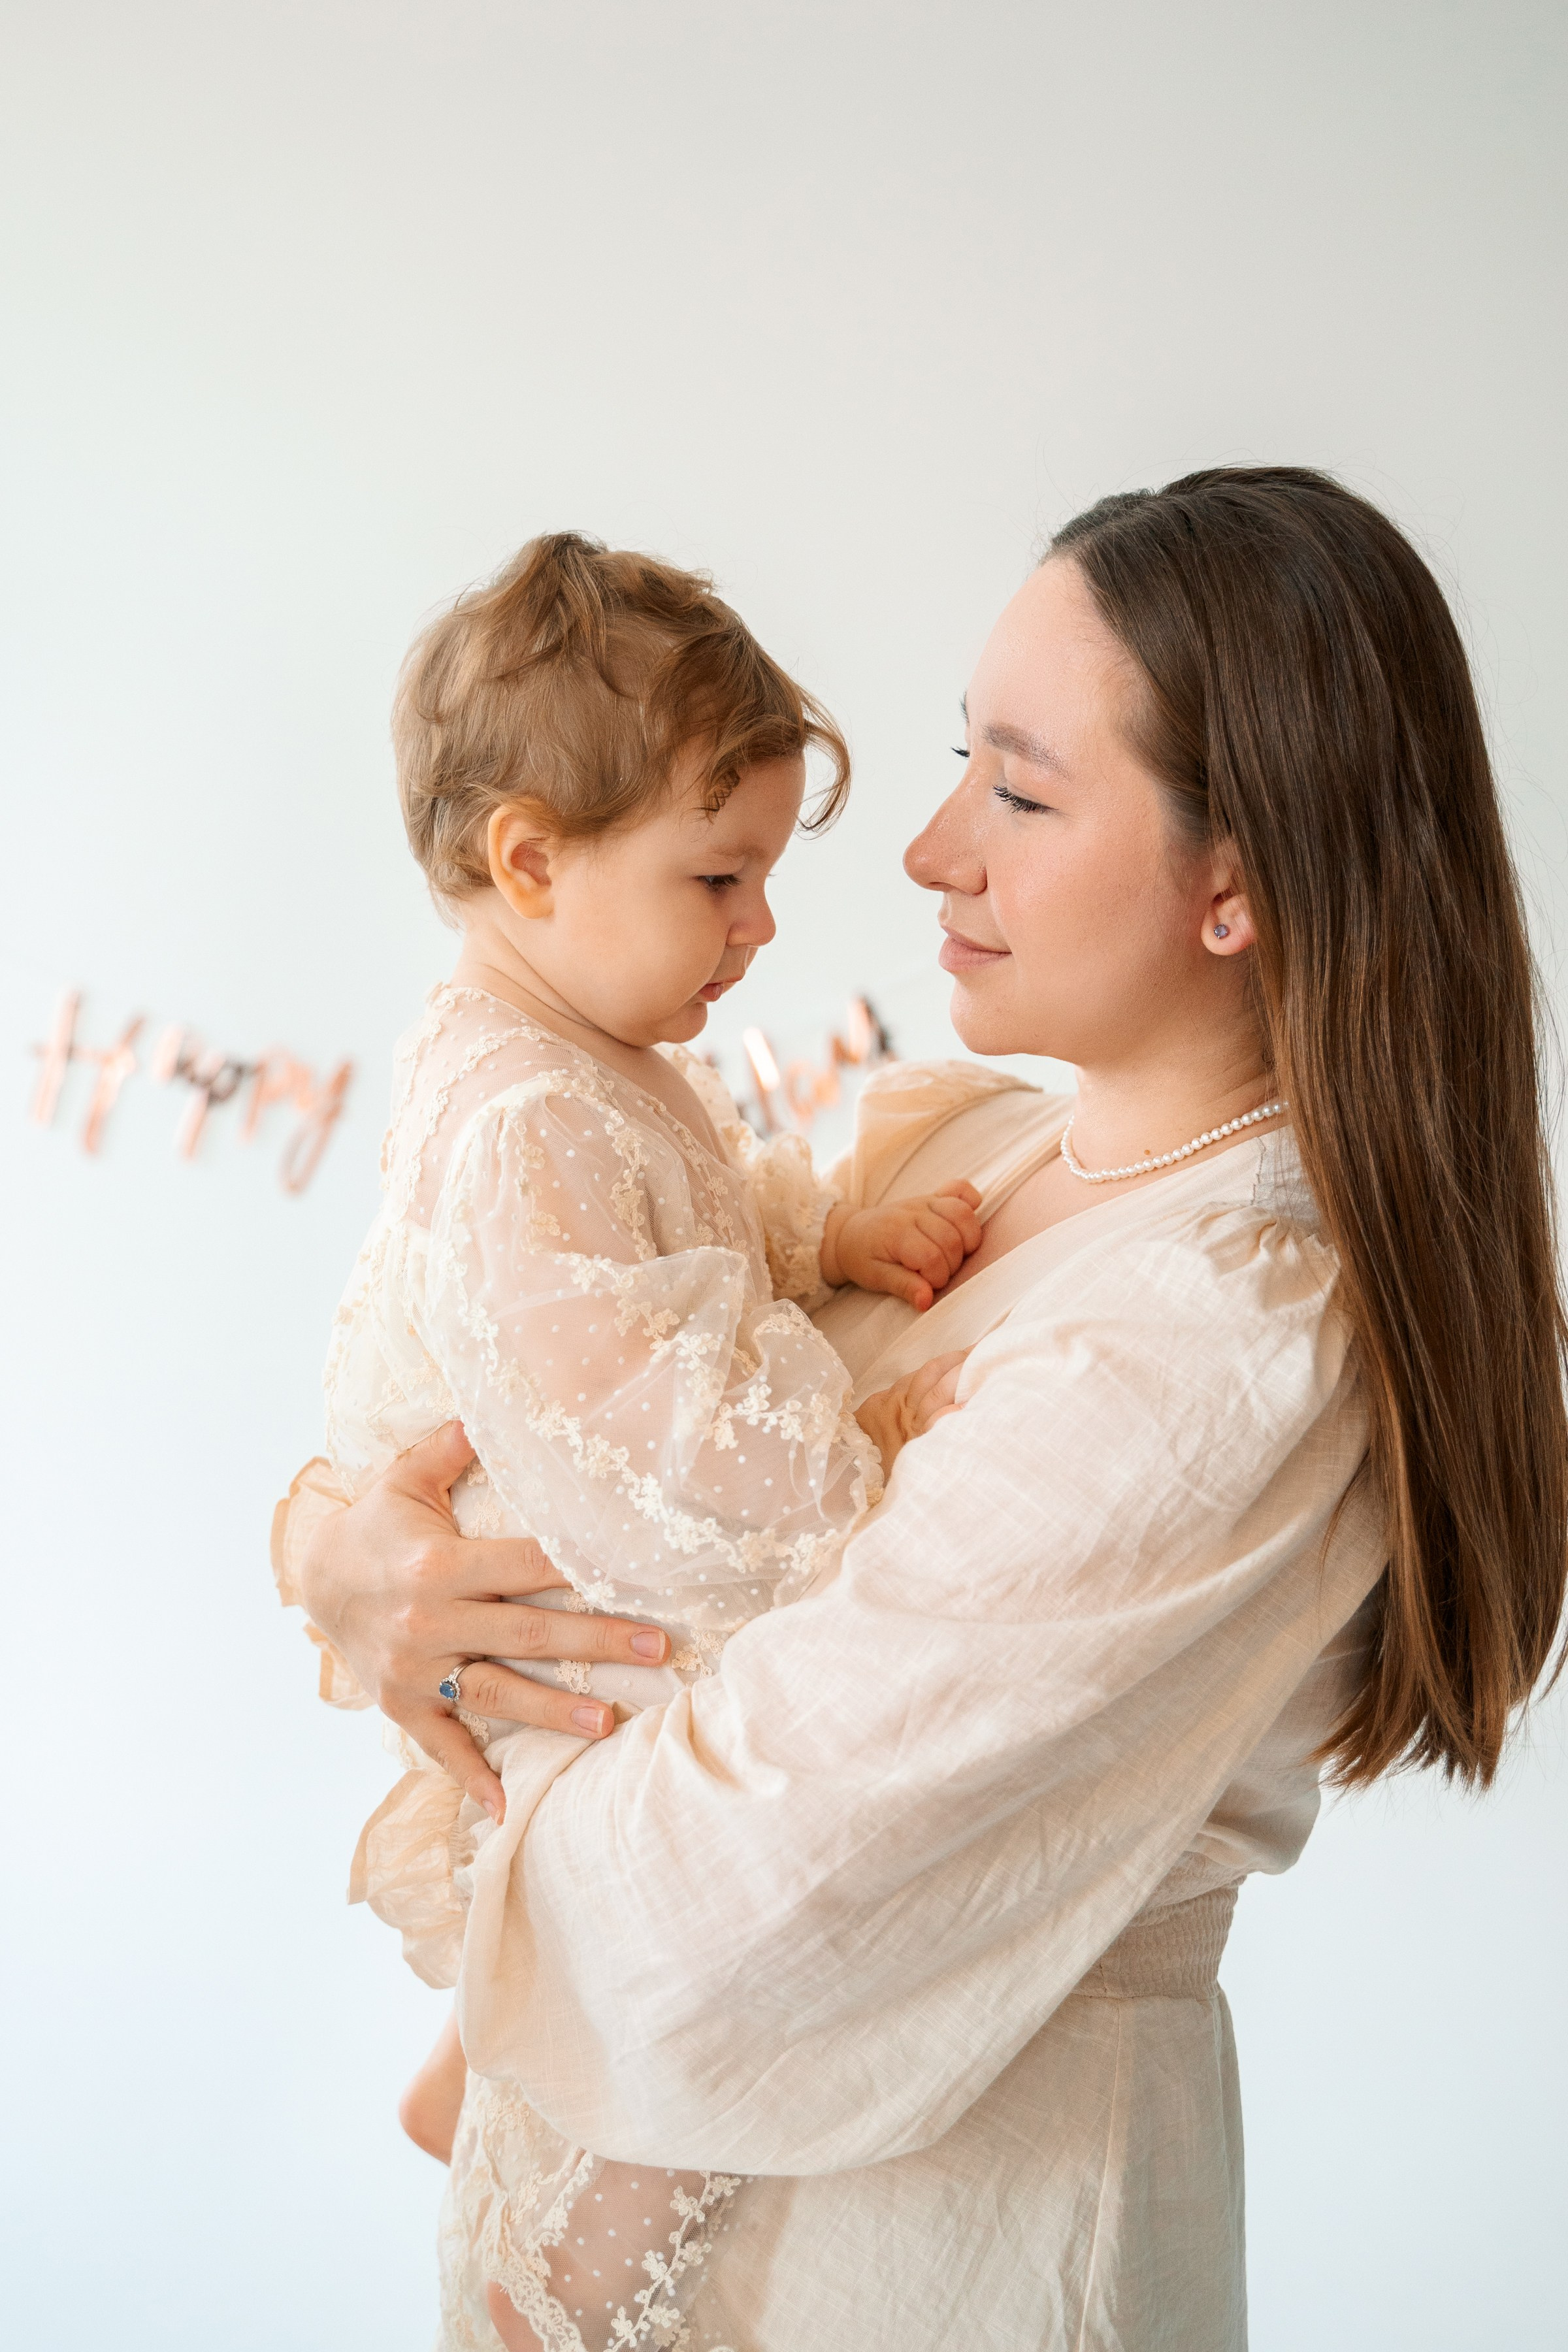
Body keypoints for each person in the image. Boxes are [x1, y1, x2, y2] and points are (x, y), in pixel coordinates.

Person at [288, 469, 1567, 2351]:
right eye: (966, 762)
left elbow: (738, 1898)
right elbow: (537, 1371)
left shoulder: (1231, 1334)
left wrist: (472, 1690)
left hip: (922, 2277)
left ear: (1242, 882)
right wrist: (337, 1551)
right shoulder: (975, 1155)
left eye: (1024, 793)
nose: (924, 854)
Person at [282, 530, 988, 2350]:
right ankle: (546, 2289)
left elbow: (681, 1238)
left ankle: (476, 2078)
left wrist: (814, 1237)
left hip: (561, 1631)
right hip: (565, 1634)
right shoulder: (522, 1113)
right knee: (678, 2013)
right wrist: (877, 1438)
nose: (760, 927)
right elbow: (656, 1437)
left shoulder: (593, 1056)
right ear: (532, 861)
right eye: (720, 876)